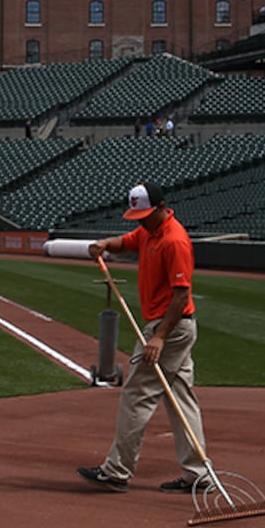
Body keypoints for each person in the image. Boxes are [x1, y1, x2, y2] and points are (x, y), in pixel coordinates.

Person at [77, 181, 207, 494]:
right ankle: (197, 473)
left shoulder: (174, 241)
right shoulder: (148, 230)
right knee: (180, 399)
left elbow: (180, 295)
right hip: (171, 326)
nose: (141, 221)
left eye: (146, 215)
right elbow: (128, 241)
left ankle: (117, 471)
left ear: (163, 207)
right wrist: (106, 243)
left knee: (136, 394)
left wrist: (159, 337)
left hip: (170, 327)